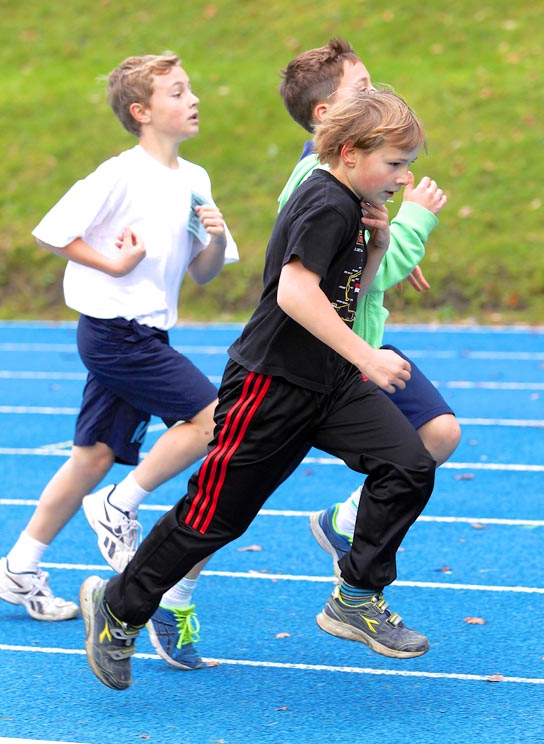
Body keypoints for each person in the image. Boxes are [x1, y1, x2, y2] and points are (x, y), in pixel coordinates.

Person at [80, 88, 438, 692]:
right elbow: (294, 294)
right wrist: (368, 357)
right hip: (270, 388)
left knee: (408, 465)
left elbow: (343, 290)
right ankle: (119, 607)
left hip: (329, 382)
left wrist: (377, 246)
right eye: (395, 164)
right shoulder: (325, 202)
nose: (403, 178)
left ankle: (356, 596)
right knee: (213, 519)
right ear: (350, 153)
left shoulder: (354, 202)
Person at [0, 53, 238, 670]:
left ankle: (19, 567)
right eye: (177, 92)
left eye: (190, 88)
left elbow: (205, 273)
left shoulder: (196, 177)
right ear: (142, 112)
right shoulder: (120, 173)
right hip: (113, 334)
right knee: (214, 420)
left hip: (147, 334)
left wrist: (214, 238)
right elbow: (53, 231)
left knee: (92, 456)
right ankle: (118, 504)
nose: (193, 99)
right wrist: (114, 263)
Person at [277, 37, 460, 573]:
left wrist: (391, 244)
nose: (376, 92)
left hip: (360, 345)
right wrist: (416, 222)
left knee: (437, 433)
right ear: (326, 114)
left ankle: (347, 527)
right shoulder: (322, 184)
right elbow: (314, 277)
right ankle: (163, 588)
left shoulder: (353, 177)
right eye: (362, 87)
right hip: (315, 357)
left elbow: (366, 261)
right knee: (233, 496)